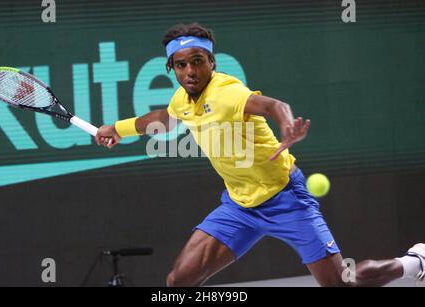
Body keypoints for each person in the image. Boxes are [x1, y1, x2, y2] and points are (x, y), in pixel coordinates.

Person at [95, 23, 424, 287]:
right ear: (173, 68)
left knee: (345, 281)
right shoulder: (183, 98)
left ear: (211, 62)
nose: (190, 71)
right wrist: (117, 128)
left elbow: (273, 106)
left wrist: (287, 127)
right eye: (181, 65)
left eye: (197, 61)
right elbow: (164, 118)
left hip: (286, 198)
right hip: (239, 205)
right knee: (178, 281)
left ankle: (411, 265)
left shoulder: (226, 92)